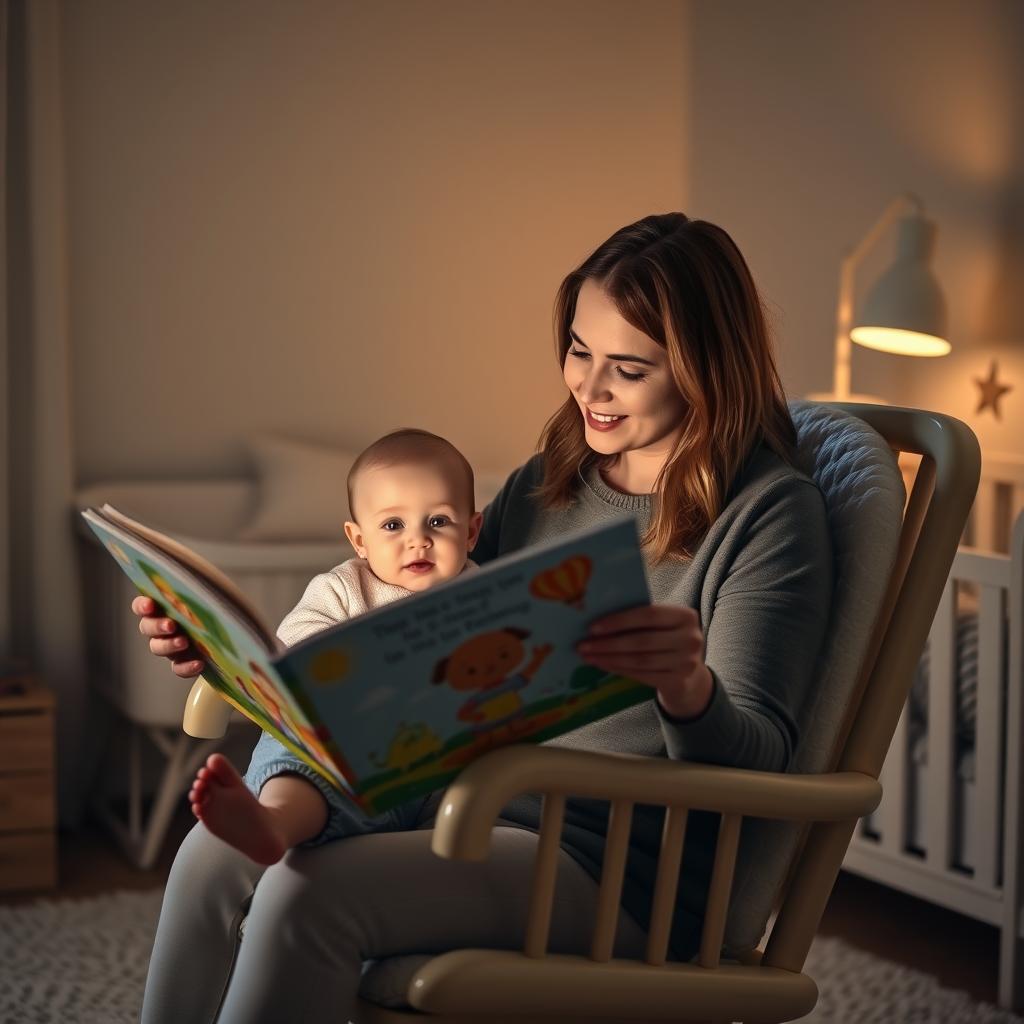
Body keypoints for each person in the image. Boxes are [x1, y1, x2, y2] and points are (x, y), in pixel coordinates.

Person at [132, 212, 833, 1024]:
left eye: (628, 369)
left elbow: (763, 762)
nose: (590, 390)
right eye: (578, 351)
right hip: (448, 800)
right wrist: (228, 657)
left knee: (305, 898)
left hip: (599, 862)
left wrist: (686, 688)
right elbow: (424, 627)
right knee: (211, 857)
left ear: (703, 369)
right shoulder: (552, 480)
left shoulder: (768, 515)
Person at [187, 427, 483, 866]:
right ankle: (273, 821)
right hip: (338, 744)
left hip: (426, 768)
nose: (418, 539)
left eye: (438, 521)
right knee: (291, 745)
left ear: (473, 531)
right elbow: (295, 648)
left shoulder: (481, 594)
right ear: (359, 540)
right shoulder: (344, 588)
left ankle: (279, 821)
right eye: (393, 525)